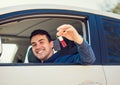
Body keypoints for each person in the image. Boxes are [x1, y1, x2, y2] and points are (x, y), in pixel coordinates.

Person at [29, 24, 96, 64]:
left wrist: (77, 39)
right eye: (34, 44)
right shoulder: (35, 67)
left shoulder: (64, 60)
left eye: (41, 42)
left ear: (51, 44)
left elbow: (88, 59)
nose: (37, 47)